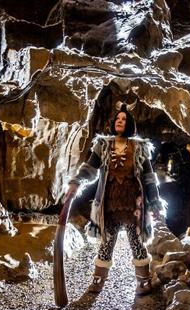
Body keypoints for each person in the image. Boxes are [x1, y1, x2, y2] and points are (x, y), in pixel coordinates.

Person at [66, 102, 164, 295]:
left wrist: (155, 202)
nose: (120, 121)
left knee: (136, 242)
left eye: (124, 119)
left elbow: (149, 177)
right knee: (106, 242)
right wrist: (77, 181)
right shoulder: (103, 145)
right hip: (108, 204)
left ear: (130, 124)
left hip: (133, 205)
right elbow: (90, 168)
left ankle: (143, 282)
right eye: (118, 119)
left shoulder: (139, 147)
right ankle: (98, 280)